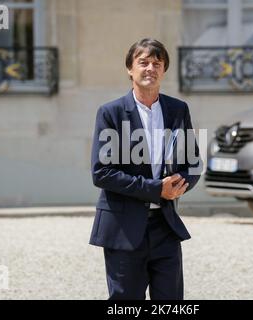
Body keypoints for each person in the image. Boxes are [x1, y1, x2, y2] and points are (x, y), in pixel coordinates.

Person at [89, 38, 201, 300]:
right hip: (124, 228)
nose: (150, 68)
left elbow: (192, 162)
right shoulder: (111, 113)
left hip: (165, 226)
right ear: (130, 69)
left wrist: (179, 185)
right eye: (143, 62)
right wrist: (156, 189)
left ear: (163, 70)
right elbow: (101, 172)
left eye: (157, 63)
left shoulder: (177, 109)